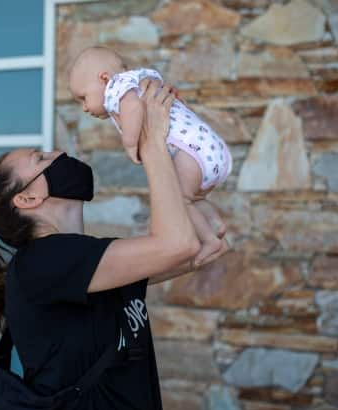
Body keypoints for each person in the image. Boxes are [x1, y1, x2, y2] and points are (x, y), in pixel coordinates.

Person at [0, 80, 228, 410]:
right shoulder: (43, 262)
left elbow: (204, 242)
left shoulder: (86, 260)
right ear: (29, 198)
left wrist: (186, 160)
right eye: (41, 158)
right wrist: (153, 143)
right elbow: (177, 244)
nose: (58, 154)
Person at [68, 46, 232, 266]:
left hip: (192, 151)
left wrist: (129, 143)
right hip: (209, 149)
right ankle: (215, 223)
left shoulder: (118, 87)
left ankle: (211, 240)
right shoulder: (143, 78)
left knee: (180, 200)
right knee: (194, 198)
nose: (85, 108)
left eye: (83, 97)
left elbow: (134, 108)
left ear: (104, 78)